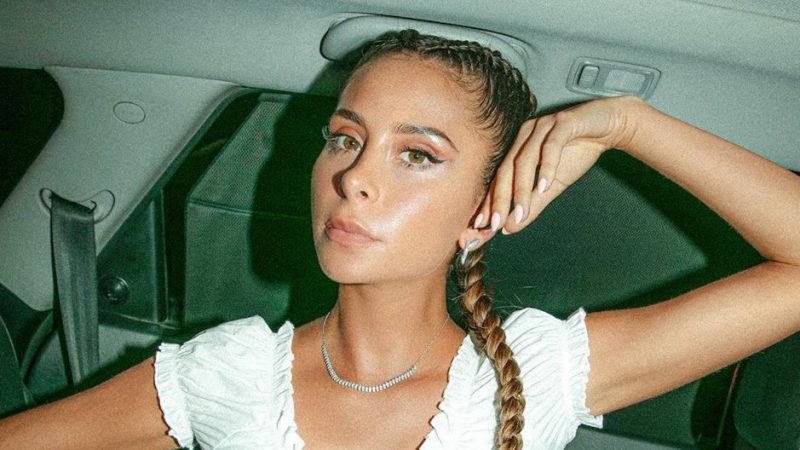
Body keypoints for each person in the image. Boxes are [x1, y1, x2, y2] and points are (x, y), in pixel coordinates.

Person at [1, 29, 799, 450]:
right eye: (345, 138)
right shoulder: (226, 373)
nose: (354, 177)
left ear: (485, 206)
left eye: (416, 154)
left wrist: (629, 122)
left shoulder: (534, 373)